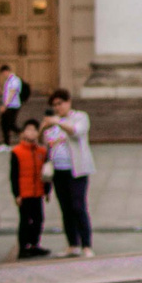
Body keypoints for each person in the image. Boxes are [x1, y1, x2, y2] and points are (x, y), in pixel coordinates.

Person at [42, 89, 95, 258]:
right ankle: (73, 244)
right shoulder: (53, 124)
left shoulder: (80, 117)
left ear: (68, 102)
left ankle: (86, 244)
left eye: (60, 103)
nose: (58, 107)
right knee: (65, 208)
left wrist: (57, 122)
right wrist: (43, 128)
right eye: (55, 105)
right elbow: (45, 143)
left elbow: (75, 131)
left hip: (76, 170)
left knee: (78, 206)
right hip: (58, 171)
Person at [10, 116, 49, 259]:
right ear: (23, 133)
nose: (32, 133)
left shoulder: (41, 151)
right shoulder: (17, 151)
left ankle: (34, 244)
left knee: (38, 219)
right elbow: (13, 175)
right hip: (25, 191)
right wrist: (17, 194)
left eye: (34, 130)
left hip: (37, 191)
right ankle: (23, 247)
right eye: (29, 130)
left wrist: (47, 190)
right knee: (25, 221)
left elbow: (46, 172)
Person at [0, 62, 24, 143]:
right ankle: (6, 143)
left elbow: (12, 92)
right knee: (4, 124)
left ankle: (23, 134)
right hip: (8, 105)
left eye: (3, 73)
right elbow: (7, 93)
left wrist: (5, 105)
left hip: (13, 106)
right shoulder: (8, 81)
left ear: (6, 71)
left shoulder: (15, 80)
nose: (3, 75)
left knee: (11, 124)